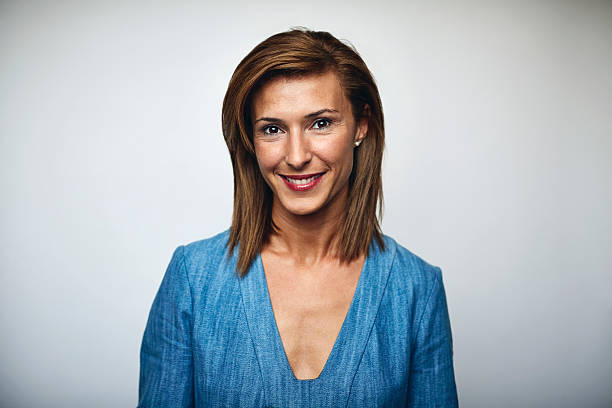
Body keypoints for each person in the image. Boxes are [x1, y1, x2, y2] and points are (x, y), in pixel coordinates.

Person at [138, 28, 458, 407]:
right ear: (250, 142)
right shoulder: (192, 278)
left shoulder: (417, 289)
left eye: (320, 123)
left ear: (361, 124)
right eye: (272, 129)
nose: (295, 156)